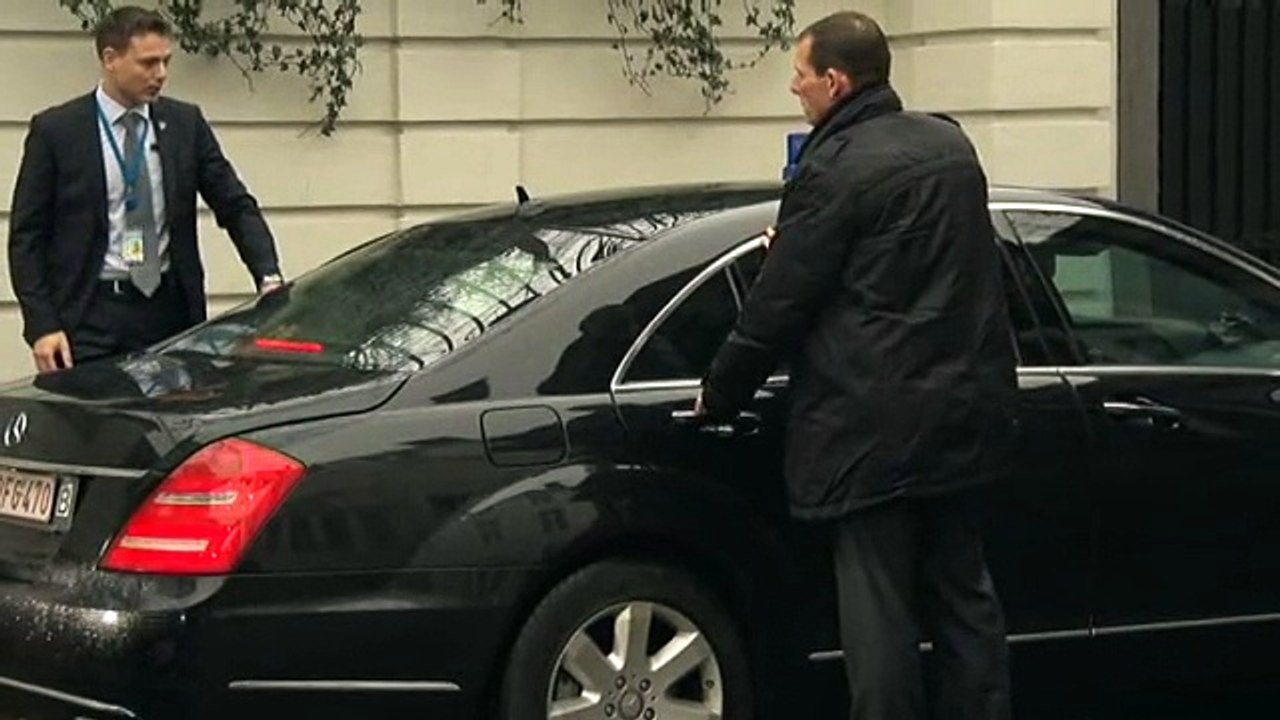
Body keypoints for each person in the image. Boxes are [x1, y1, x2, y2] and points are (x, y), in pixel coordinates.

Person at [695, 10, 1018, 720]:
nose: (794, 90)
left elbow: (779, 305)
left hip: (870, 429)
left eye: (801, 76)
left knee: (880, 618)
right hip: (962, 415)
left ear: (835, 82)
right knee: (965, 602)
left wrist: (719, 393)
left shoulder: (832, 171)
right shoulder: (952, 148)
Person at [8, 5, 284, 375]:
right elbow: (27, 237)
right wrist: (42, 325)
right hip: (91, 315)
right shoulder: (58, 131)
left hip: (170, 312)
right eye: (148, 63)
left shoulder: (185, 124)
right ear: (111, 59)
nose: (161, 74)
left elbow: (235, 205)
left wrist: (268, 276)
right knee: (98, 427)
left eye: (166, 61)